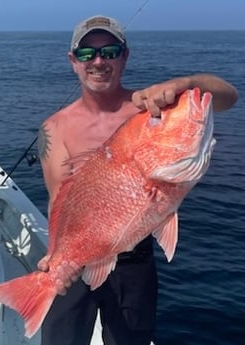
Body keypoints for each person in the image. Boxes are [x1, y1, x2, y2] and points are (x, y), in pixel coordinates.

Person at [37, 15, 238, 345]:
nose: (99, 61)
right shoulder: (54, 128)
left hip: (135, 260)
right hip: (78, 252)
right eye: (87, 54)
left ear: (125, 56)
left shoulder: (151, 109)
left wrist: (186, 82)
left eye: (110, 51)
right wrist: (57, 259)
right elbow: (60, 199)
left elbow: (227, 97)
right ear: (73, 62)